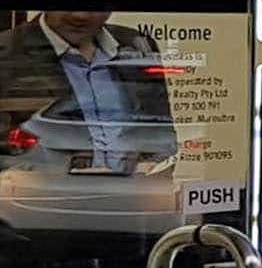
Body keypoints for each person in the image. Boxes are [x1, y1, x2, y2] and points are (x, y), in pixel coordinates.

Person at [0, 10, 176, 175]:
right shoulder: (7, 52)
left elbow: (160, 131)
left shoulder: (135, 44)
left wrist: (148, 171)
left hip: (130, 191)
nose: (81, 16)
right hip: (40, 190)